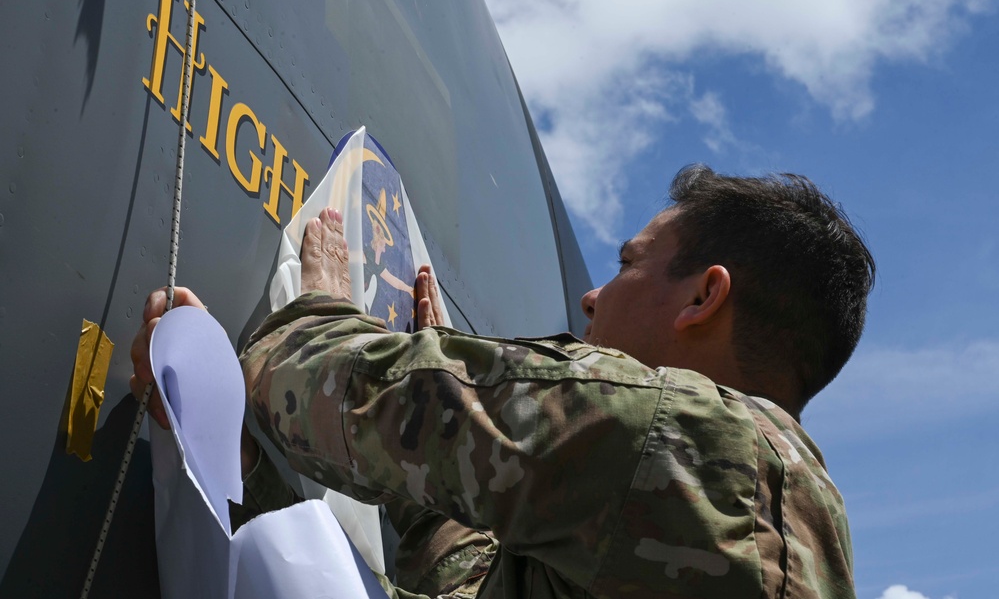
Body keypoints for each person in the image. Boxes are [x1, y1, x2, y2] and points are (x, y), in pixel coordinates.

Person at [132, 165, 874, 598]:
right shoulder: (785, 531)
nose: (591, 297)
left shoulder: (676, 433)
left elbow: (319, 386)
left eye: (626, 263)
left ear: (702, 297)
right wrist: (235, 455)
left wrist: (316, 314)